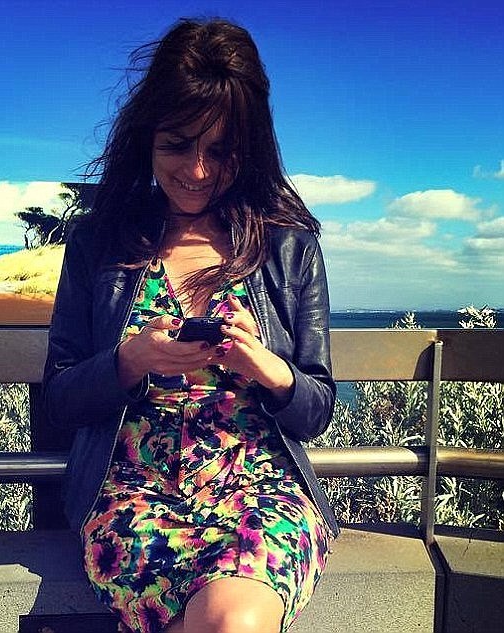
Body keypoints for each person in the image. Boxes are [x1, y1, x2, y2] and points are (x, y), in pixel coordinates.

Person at [42, 17, 338, 633]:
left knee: (230, 620)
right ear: (146, 138)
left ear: (249, 149)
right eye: (177, 145)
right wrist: (129, 361)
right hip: (130, 495)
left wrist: (268, 368)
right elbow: (59, 399)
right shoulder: (97, 240)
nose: (197, 171)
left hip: (261, 490)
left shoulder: (289, 246)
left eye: (221, 151)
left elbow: (316, 411)